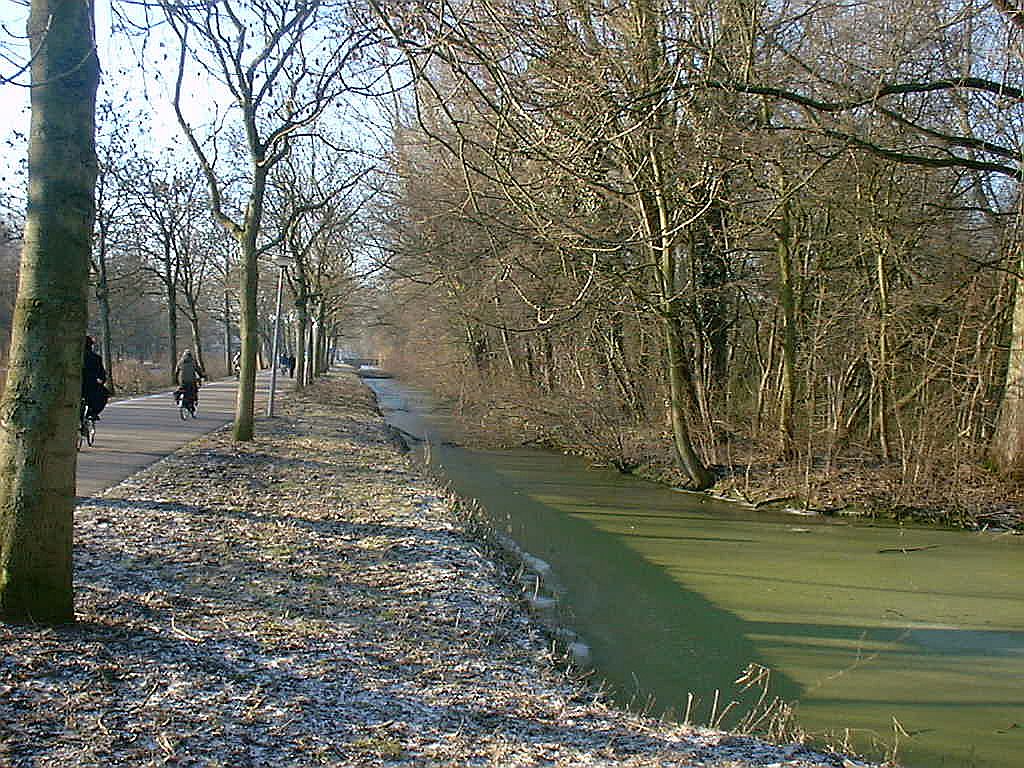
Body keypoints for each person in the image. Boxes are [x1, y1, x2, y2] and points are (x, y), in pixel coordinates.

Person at [81, 335, 108, 421]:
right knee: (104, 393)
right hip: (91, 387)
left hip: (73, 386)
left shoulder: (71, 359)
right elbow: (102, 375)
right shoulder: (96, 358)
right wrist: (101, 381)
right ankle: (92, 413)